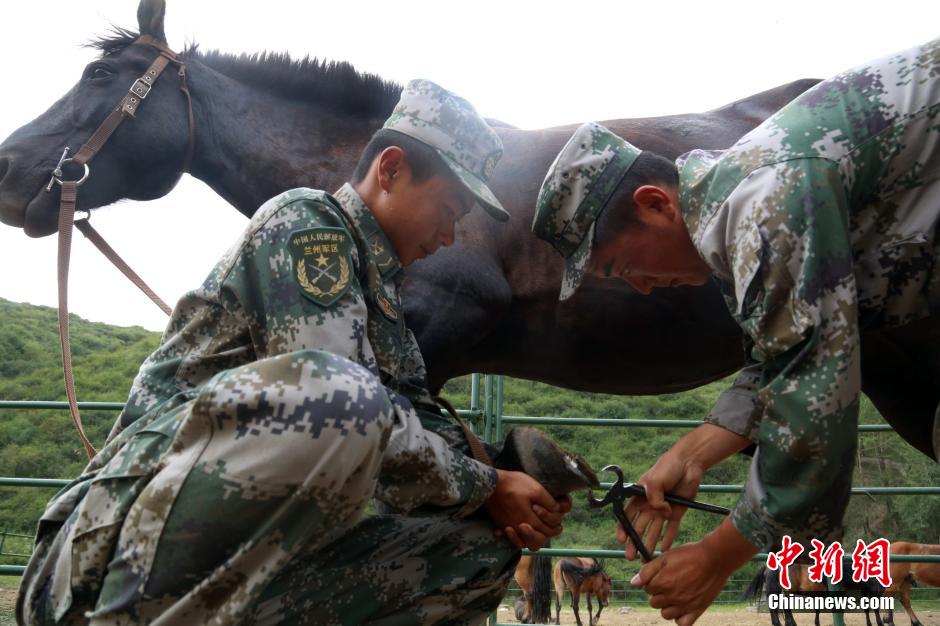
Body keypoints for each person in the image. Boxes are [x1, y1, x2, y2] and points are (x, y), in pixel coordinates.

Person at [18, 79, 570, 626]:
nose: (450, 235)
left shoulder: (380, 297)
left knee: (480, 551)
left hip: (238, 565)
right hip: (106, 551)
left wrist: (508, 480)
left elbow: (413, 422)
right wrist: (488, 486)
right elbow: (348, 408)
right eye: (449, 209)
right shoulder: (306, 225)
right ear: (391, 169)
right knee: (347, 396)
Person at [532, 39, 940, 626]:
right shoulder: (728, 213)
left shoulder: (760, 198)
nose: (641, 287)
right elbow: (779, 356)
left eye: (623, 267)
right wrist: (692, 452)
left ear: (655, 203)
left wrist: (717, 556)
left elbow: (813, 400)